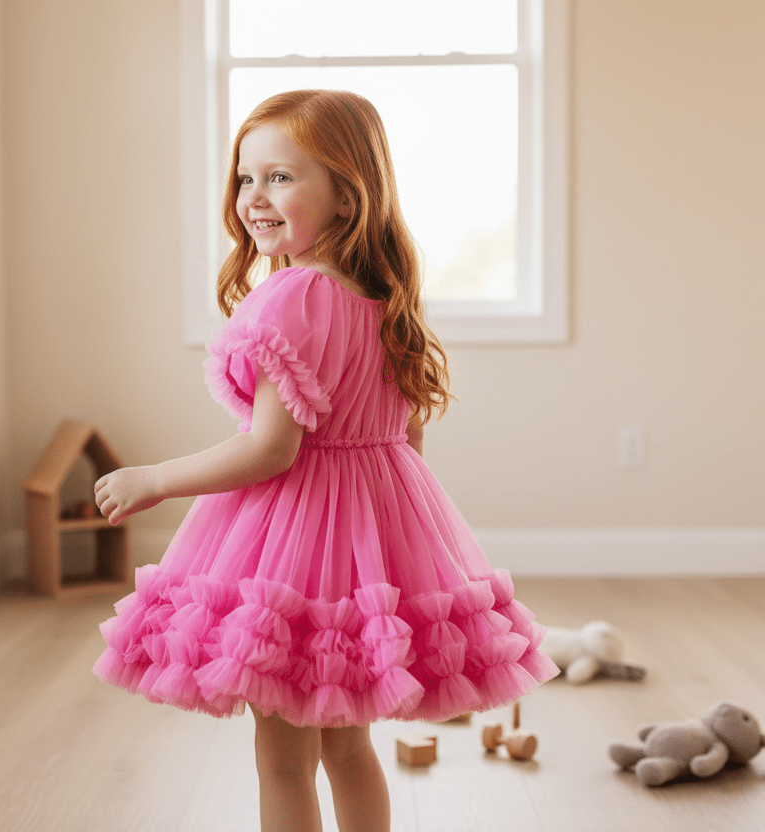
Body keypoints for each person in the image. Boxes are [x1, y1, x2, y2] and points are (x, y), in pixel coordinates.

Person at [93, 89, 558, 832]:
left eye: (281, 177)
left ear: (347, 194)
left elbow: (270, 449)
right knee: (349, 749)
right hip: (368, 543)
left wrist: (156, 480)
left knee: (282, 759)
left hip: (294, 544)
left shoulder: (288, 299)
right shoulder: (382, 297)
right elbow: (407, 443)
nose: (254, 198)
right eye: (246, 178)